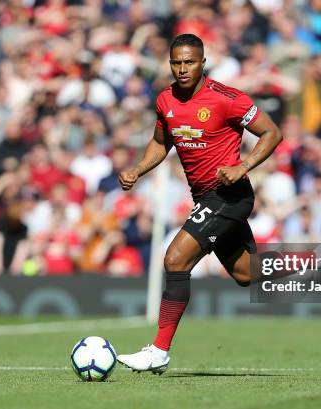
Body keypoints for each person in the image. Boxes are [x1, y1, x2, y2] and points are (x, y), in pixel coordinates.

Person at [116, 34, 283, 373]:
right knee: (246, 273)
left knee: (175, 259)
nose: (182, 69)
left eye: (189, 62)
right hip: (205, 197)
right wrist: (137, 169)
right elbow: (160, 144)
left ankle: (159, 350)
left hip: (229, 195)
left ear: (203, 62)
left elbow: (272, 133)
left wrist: (243, 166)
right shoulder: (165, 100)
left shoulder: (228, 99)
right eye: (176, 62)